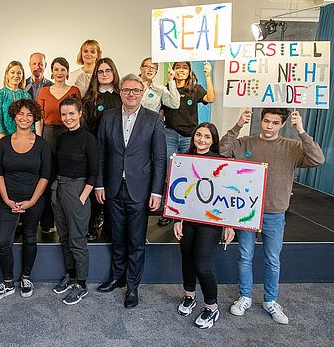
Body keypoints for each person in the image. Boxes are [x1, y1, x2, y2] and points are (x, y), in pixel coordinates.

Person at [220, 108, 324, 325]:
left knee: (273, 260)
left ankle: (270, 301)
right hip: (247, 212)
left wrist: (302, 131)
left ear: (282, 124)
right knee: (245, 257)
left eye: (275, 123)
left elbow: (317, 158)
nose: (269, 126)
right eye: (266, 121)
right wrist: (238, 124)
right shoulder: (246, 142)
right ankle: (245, 297)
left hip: (275, 213)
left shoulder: (292, 147)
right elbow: (223, 149)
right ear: (261, 121)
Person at [95, 73, 166, 308]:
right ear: (120, 92)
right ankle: (117, 277)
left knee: (136, 241)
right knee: (117, 237)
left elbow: (159, 159)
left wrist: (157, 192)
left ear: (142, 93)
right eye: (126, 90)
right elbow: (101, 154)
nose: (131, 94)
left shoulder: (154, 120)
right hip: (114, 188)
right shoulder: (108, 117)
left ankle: (133, 287)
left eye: (136, 90)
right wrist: (99, 183)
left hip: (140, 190)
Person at [173, 122, 235, 329]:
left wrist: (229, 225)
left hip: (210, 223)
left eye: (207, 137)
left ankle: (212, 307)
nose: (201, 139)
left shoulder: (221, 162)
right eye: (198, 135)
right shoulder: (184, 160)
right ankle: (190, 296)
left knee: (202, 266)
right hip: (188, 219)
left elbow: (227, 195)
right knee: (187, 260)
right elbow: (178, 193)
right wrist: (176, 219)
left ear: (213, 140)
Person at [0, 99, 51, 301]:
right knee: (4, 242)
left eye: (29, 115)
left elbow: (45, 176)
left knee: (30, 238)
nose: (25, 118)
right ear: (14, 116)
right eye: (21, 114)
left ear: (35, 118)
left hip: (34, 200)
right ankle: (7, 283)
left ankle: (26, 277)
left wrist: (31, 201)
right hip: (8, 199)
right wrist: (6, 200)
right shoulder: (4, 142)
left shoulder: (42, 144)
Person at [52, 97, 98, 305]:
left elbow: (94, 172)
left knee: (77, 239)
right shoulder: (61, 137)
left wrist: (82, 196)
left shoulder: (89, 139)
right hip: (59, 189)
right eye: (64, 114)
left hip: (78, 189)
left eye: (71, 113)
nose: (67, 118)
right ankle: (70, 276)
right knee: (64, 236)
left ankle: (81, 284)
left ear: (80, 113)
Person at [158, 61, 215, 227]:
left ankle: (185, 211)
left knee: (188, 174)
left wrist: (208, 75)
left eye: (184, 68)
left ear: (189, 71)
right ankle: (168, 211)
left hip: (189, 137)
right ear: (173, 70)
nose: (181, 70)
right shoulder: (167, 88)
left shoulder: (195, 89)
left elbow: (210, 98)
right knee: (169, 174)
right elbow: (160, 111)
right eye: (178, 67)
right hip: (169, 134)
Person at [36, 57, 80, 233]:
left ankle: (67, 220)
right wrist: (38, 140)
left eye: (63, 69)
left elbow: (78, 116)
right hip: (49, 135)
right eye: (56, 69)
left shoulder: (75, 90)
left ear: (68, 72)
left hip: (69, 135)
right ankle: (47, 222)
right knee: (48, 177)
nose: (59, 73)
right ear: (51, 72)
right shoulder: (44, 91)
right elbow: (39, 117)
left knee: (68, 179)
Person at [82, 58, 122, 241]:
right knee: (94, 189)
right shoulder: (89, 99)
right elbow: (86, 127)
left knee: (113, 190)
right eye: (101, 71)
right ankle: (91, 225)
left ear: (114, 73)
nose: (105, 74)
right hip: (95, 151)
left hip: (117, 153)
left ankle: (108, 226)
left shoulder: (122, 97)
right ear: (96, 75)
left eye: (108, 71)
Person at [0, 61, 31, 142]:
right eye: (12, 72)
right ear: (7, 74)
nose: (16, 76)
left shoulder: (26, 96)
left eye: (19, 73)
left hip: (23, 139)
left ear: (22, 75)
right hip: (4, 138)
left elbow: (30, 119)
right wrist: (3, 139)